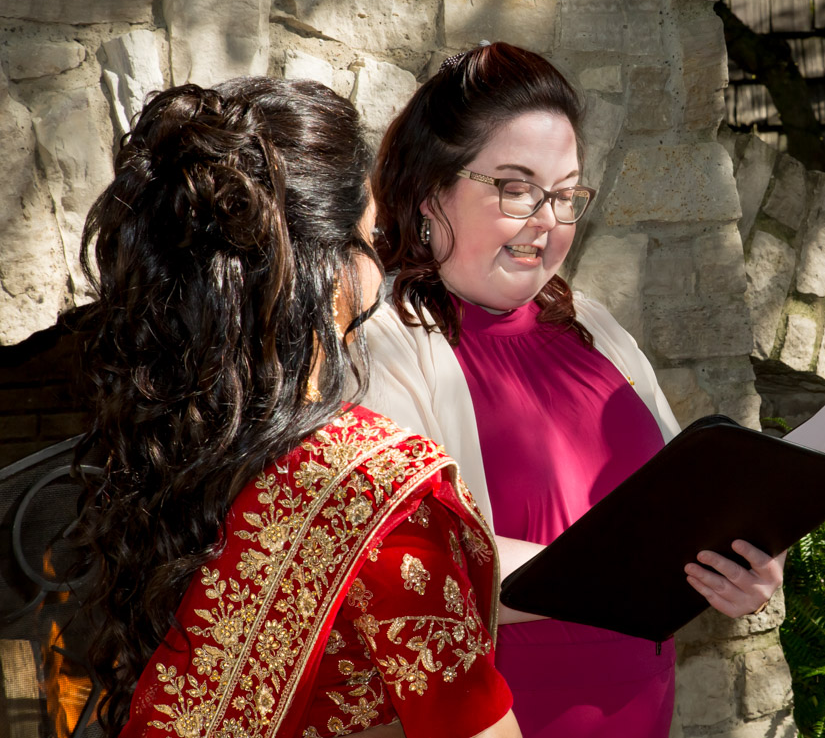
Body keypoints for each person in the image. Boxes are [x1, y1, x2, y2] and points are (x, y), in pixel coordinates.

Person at [72, 78, 520, 738]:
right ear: (332, 268)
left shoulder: (180, 448)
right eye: (374, 236)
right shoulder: (378, 496)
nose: (384, 260)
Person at [362, 42, 782, 738]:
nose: (547, 221)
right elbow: (413, 564)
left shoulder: (594, 324)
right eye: (516, 187)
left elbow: (690, 499)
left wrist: (742, 560)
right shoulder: (383, 340)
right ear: (432, 191)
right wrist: (635, 566)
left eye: (564, 194)